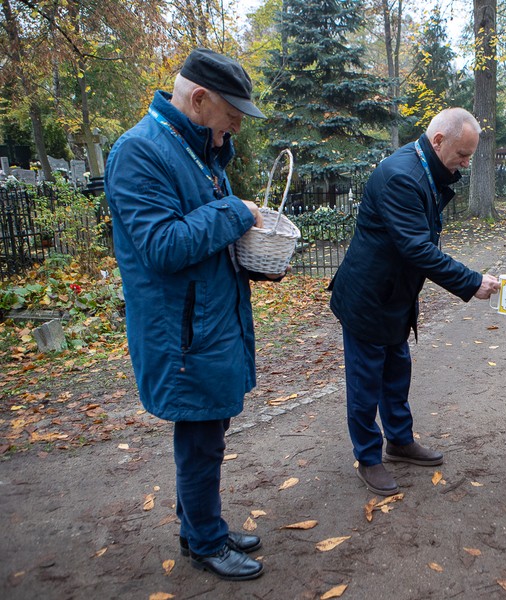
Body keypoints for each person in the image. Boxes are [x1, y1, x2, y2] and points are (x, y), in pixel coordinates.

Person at [105, 48, 278, 580]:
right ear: (199, 99)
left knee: (209, 432)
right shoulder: (139, 152)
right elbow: (162, 246)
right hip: (181, 332)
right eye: (232, 115)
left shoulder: (196, 148)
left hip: (207, 321)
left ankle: (200, 524)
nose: (237, 127)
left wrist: (250, 253)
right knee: (201, 437)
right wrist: (234, 210)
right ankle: (204, 542)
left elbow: (204, 239)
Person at [328, 108, 500, 497]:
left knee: (396, 372)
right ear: (438, 140)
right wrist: (471, 281)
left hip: (396, 295)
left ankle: (400, 441)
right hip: (369, 298)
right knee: (365, 381)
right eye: (462, 154)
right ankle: (369, 457)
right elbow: (416, 248)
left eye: (470, 156)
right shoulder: (400, 176)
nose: (466, 163)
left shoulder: (426, 168)